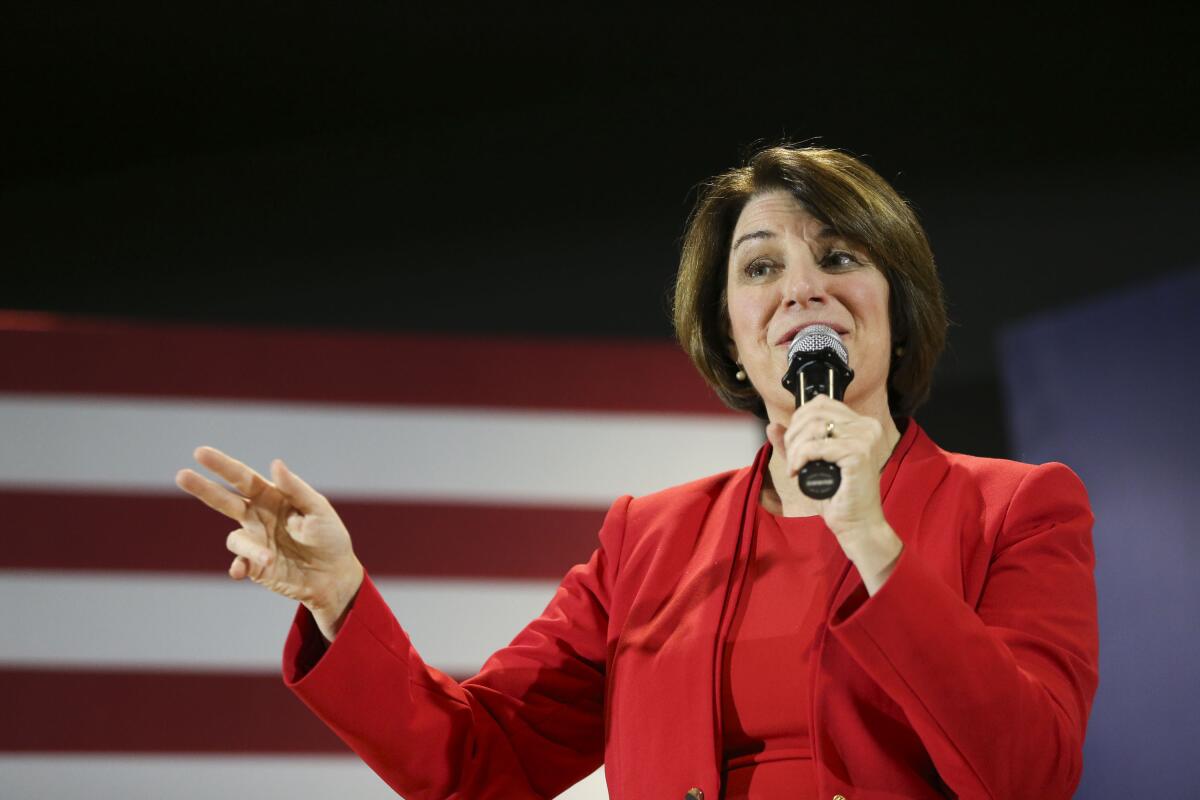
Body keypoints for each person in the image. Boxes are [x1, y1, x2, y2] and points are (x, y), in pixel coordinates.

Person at [176, 146, 1098, 799]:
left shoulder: (1017, 508)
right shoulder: (646, 540)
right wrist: (342, 599)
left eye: (841, 257)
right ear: (735, 337)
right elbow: (480, 763)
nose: (801, 288)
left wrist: (873, 541)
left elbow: (1029, 774)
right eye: (761, 267)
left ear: (897, 310)